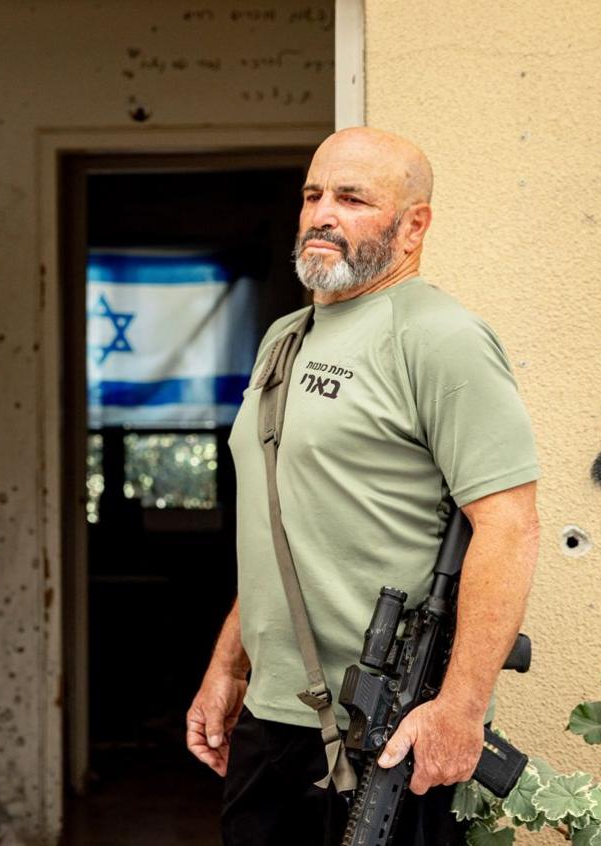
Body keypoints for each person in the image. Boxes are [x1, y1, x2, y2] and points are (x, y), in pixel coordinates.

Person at [185, 127, 540, 845]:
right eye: (314, 194)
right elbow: (282, 524)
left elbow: (509, 526)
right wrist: (229, 666)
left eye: (351, 198)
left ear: (414, 226)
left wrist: (462, 710)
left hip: (391, 734)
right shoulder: (285, 337)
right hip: (274, 722)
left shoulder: (440, 337)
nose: (322, 213)